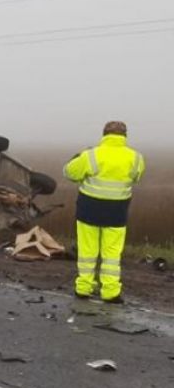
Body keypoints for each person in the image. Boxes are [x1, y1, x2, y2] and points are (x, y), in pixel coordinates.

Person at [64, 121, 145, 304]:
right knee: (112, 253)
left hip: (89, 209)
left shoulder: (91, 155)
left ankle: (83, 288)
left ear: (104, 134)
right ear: (124, 136)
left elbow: (69, 173)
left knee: (87, 251)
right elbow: (137, 177)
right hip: (117, 211)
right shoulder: (136, 157)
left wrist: (76, 159)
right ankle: (110, 292)